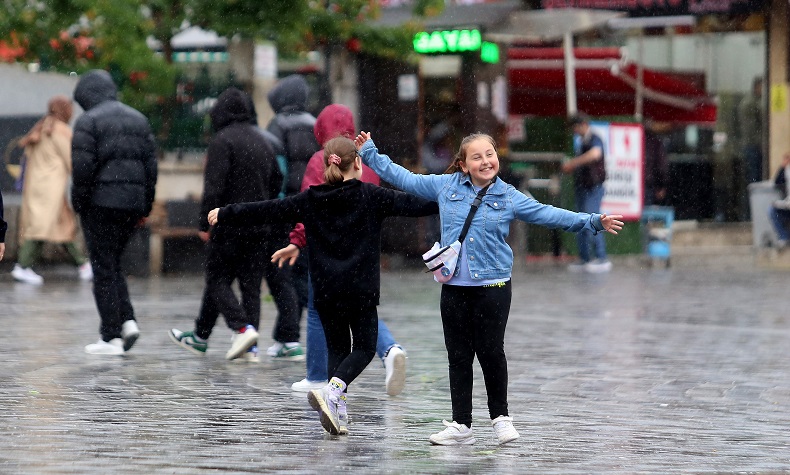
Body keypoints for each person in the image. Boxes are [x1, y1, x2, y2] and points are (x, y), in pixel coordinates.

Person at [356, 131, 623, 446]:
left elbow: (549, 214)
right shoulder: (446, 187)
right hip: (454, 286)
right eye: (477, 157)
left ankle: (501, 419)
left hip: (494, 286)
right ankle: (461, 424)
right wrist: (370, 153)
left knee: (491, 352)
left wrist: (592, 221)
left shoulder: (509, 196)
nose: (485, 161)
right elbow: (403, 177)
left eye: (489, 154)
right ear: (464, 164)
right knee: (458, 355)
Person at [207, 136, 438, 436]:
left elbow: (268, 209)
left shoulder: (311, 198)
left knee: (338, 349)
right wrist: (456, 194)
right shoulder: (372, 196)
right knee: (366, 348)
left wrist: (226, 213)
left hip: (326, 291)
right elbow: (417, 205)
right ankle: (334, 391)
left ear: (326, 164)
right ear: (358, 163)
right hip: (360, 290)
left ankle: (336, 410)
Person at [270, 104, 409, 395]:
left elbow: (305, 204)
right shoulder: (366, 160)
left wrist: (297, 240)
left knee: (321, 311)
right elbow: (387, 201)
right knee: (361, 313)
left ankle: (319, 376)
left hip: (325, 255)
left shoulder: (320, 160)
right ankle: (389, 349)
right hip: (361, 258)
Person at [168, 87, 289, 361]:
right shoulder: (262, 141)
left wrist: (204, 223)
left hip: (228, 224)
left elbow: (213, 188)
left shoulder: (222, 142)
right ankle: (234, 344)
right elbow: (276, 180)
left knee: (217, 280)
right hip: (259, 226)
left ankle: (242, 328)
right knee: (251, 287)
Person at [71, 69, 158, 356]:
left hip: (100, 204)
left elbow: (82, 171)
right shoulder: (139, 119)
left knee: (103, 267)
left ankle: (111, 337)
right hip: (131, 204)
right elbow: (150, 168)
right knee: (114, 264)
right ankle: (127, 321)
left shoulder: (88, 121)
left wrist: (79, 204)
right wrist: (145, 205)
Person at [263, 74, 321, 358]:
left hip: (287, 207)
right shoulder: (315, 124)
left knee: (282, 271)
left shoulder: (277, 125)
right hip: (314, 206)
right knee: (304, 268)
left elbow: (276, 169)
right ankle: (290, 335)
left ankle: (288, 336)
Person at [11, 95, 92, 285]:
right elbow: (72, 159)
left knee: (62, 224)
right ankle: (23, 266)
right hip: (50, 187)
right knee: (40, 227)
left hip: (36, 186)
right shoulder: (61, 130)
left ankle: (83, 265)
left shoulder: (41, 126)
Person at [562, 114, 613, 273]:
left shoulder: (594, 138)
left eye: (576, 127)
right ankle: (585, 258)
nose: (575, 131)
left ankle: (601, 257)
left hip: (593, 187)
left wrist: (574, 163)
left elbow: (595, 154)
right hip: (583, 186)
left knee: (594, 220)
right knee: (581, 221)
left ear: (583, 124)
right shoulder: (582, 141)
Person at [739, 76, 765, 186]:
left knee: (756, 176)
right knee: (754, 178)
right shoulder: (749, 103)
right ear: (757, 87)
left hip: (755, 145)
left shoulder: (757, 101)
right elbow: (751, 129)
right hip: (752, 146)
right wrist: (761, 144)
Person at [643, 119, 669, 207]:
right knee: (645, 213)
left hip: (635, 183)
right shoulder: (655, 142)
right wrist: (661, 185)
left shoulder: (636, 137)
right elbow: (661, 166)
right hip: (648, 184)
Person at [769, 152, 790, 250]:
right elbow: (777, 181)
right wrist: (782, 166)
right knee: (772, 210)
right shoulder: (787, 171)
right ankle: (784, 238)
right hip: (787, 206)